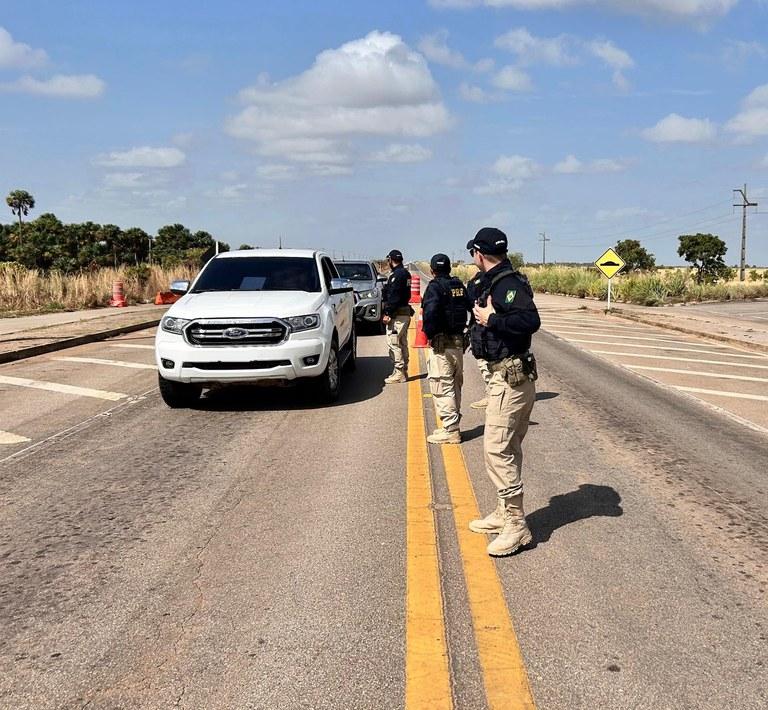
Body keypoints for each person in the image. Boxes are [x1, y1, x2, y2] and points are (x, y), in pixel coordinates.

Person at [466, 227, 541, 557]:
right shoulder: (497, 280)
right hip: (510, 378)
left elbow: (530, 321)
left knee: (497, 450)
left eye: (473, 254)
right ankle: (502, 512)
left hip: (509, 380)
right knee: (508, 447)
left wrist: (492, 320)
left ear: (479, 255)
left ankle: (516, 525)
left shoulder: (507, 284)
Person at [422, 253, 471, 445]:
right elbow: (472, 306)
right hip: (458, 343)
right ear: (449, 268)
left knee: (443, 387)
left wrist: (430, 334)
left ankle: (451, 430)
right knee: (454, 385)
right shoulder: (458, 285)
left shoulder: (434, 287)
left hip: (442, 345)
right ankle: (452, 424)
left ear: (432, 271)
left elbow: (431, 312)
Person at [381, 249, 413, 384]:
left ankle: (399, 372)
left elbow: (394, 297)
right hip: (404, 313)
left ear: (390, 260)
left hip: (397, 314)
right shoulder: (405, 273)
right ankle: (403, 370)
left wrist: (387, 313)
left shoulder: (396, 275)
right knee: (402, 342)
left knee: (394, 343)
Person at [466, 272, 492, 410]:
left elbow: (470, 301)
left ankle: (491, 397)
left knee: (485, 364)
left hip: (482, 329)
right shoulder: (505, 278)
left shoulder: (480, 280)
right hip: (490, 328)